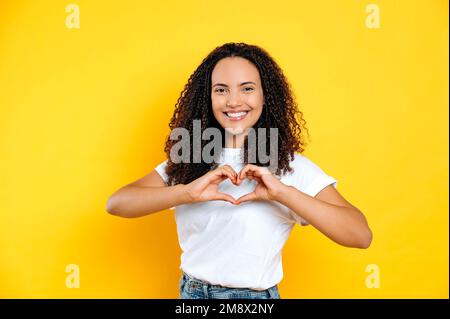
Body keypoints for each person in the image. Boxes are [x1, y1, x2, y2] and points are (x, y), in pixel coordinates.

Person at [106, 42, 372, 299]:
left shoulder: (288, 166)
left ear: (265, 94)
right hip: (191, 293)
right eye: (221, 90)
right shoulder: (189, 161)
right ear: (207, 97)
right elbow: (117, 203)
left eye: (247, 88)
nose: (233, 101)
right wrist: (185, 193)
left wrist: (283, 193)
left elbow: (360, 235)